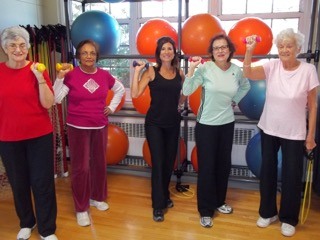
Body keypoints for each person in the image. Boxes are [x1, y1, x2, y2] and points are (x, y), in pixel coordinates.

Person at [243, 28, 319, 237]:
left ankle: (288, 218)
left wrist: (310, 136)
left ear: (298, 48)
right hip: (269, 128)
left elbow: (312, 106)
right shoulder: (272, 66)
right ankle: (268, 213)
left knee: (292, 176)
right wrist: (249, 51)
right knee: (267, 172)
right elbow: (247, 72)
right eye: (281, 46)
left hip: (294, 132)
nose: (285, 49)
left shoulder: (308, 70)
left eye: (289, 46)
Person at [53, 39, 125, 227]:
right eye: (84, 53)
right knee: (81, 168)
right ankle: (81, 208)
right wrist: (59, 77)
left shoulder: (104, 75)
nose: (88, 56)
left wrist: (111, 107)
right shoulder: (71, 75)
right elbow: (56, 98)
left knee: (99, 164)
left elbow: (119, 89)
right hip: (77, 127)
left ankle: (97, 197)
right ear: (78, 56)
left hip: (99, 126)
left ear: (97, 56)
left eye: (92, 53)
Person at [182, 33, 250, 228]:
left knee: (223, 166)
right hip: (206, 125)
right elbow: (187, 91)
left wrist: (235, 99)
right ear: (211, 52)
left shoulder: (236, 70)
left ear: (230, 50)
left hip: (227, 124)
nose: (220, 50)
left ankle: (219, 201)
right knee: (207, 168)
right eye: (216, 48)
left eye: (223, 47)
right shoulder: (205, 68)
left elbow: (246, 86)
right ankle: (205, 210)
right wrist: (191, 70)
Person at [0, 26, 58, 240]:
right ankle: (27, 222)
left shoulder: (37, 69)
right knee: (19, 183)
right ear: (5, 48)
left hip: (39, 136)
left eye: (22, 45)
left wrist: (40, 78)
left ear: (28, 47)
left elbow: (48, 103)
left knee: (42, 183)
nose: (18, 49)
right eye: (13, 45)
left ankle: (47, 229)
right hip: (8, 138)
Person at [131, 36, 186, 222]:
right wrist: (137, 72)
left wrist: (179, 104)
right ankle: (158, 206)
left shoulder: (179, 73)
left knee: (169, 162)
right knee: (159, 162)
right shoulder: (152, 72)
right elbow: (135, 93)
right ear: (159, 53)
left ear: (174, 52)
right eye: (163, 49)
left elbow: (184, 92)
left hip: (173, 123)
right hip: (154, 124)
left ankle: (165, 195)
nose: (166, 52)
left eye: (170, 48)